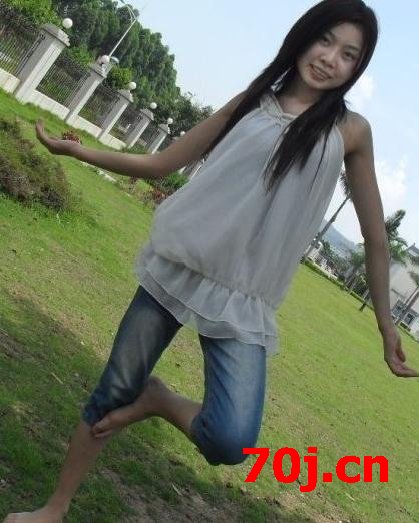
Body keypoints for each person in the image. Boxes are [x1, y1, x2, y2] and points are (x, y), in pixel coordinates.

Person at [4, 0, 418, 521]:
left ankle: (159, 400)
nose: (331, 59)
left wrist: (386, 326)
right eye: (325, 40)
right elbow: (161, 164)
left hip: (243, 298)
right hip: (180, 264)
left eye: (349, 55)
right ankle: (55, 507)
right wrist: (77, 151)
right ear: (304, 37)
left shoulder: (350, 132)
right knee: (114, 389)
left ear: (357, 67)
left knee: (230, 438)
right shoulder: (253, 101)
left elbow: (376, 240)